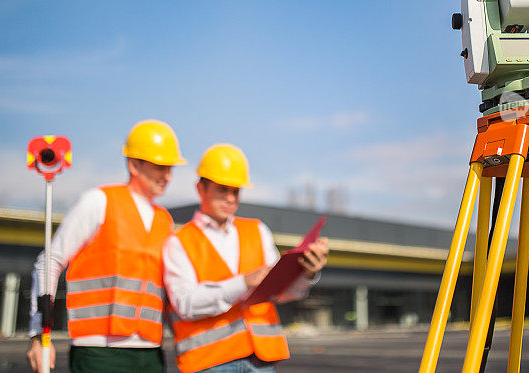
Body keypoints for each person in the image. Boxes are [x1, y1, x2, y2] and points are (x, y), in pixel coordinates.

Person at [26, 119, 187, 373]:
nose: (167, 175)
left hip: (150, 352)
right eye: (160, 166)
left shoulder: (164, 220)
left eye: (170, 168)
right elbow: (50, 262)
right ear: (133, 164)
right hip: (99, 352)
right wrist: (38, 335)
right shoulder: (98, 201)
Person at [163, 144, 329, 373]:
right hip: (210, 363)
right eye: (223, 189)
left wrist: (307, 274)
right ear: (201, 188)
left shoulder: (258, 231)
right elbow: (185, 304)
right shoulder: (178, 242)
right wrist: (243, 283)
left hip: (260, 360)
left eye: (236, 191)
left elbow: (280, 292)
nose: (231, 198)